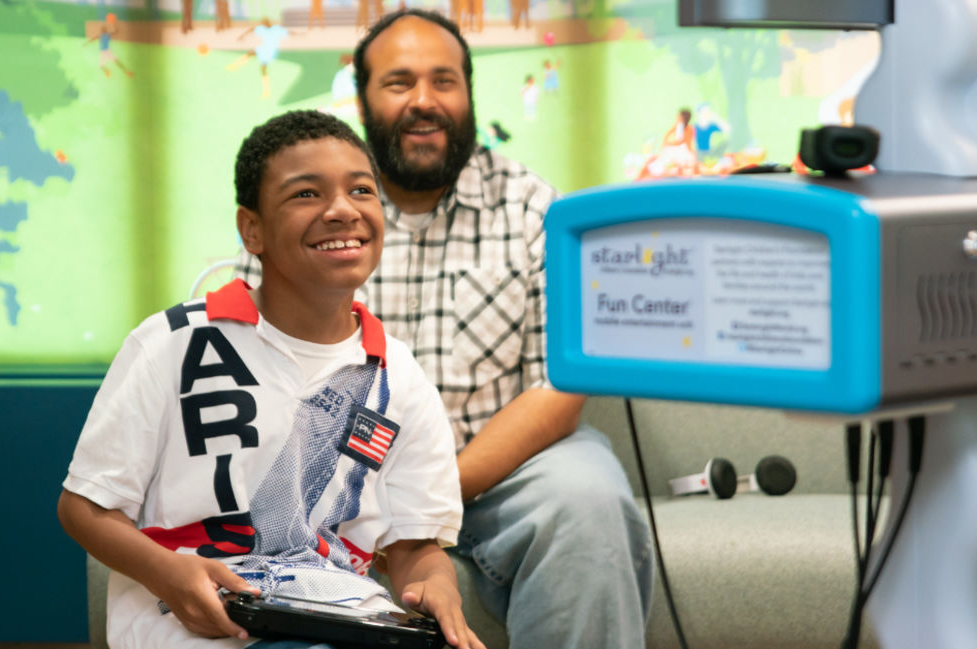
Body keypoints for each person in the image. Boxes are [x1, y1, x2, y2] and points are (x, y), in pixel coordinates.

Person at [234, 10, 654, 649]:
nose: (424, 101)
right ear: (363, 99)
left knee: (590, 498)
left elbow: (558, 383)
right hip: (338, 479)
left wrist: (430, 491)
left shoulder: (535, 209)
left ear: (470, 94)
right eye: (399, 83)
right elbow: (259, 373)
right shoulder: (304, 213)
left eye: (444, 81)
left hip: (500, 473)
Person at [58, 110, 484, 649]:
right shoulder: (171, 341)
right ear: (251, 229)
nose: (341, 210)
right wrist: (169, 573)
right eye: (306, 194)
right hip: (189, 622)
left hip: (342, 617)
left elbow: (414, 549)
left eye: (361, 190)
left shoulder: (400, 377)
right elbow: (84, 507)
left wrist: (436, 588)